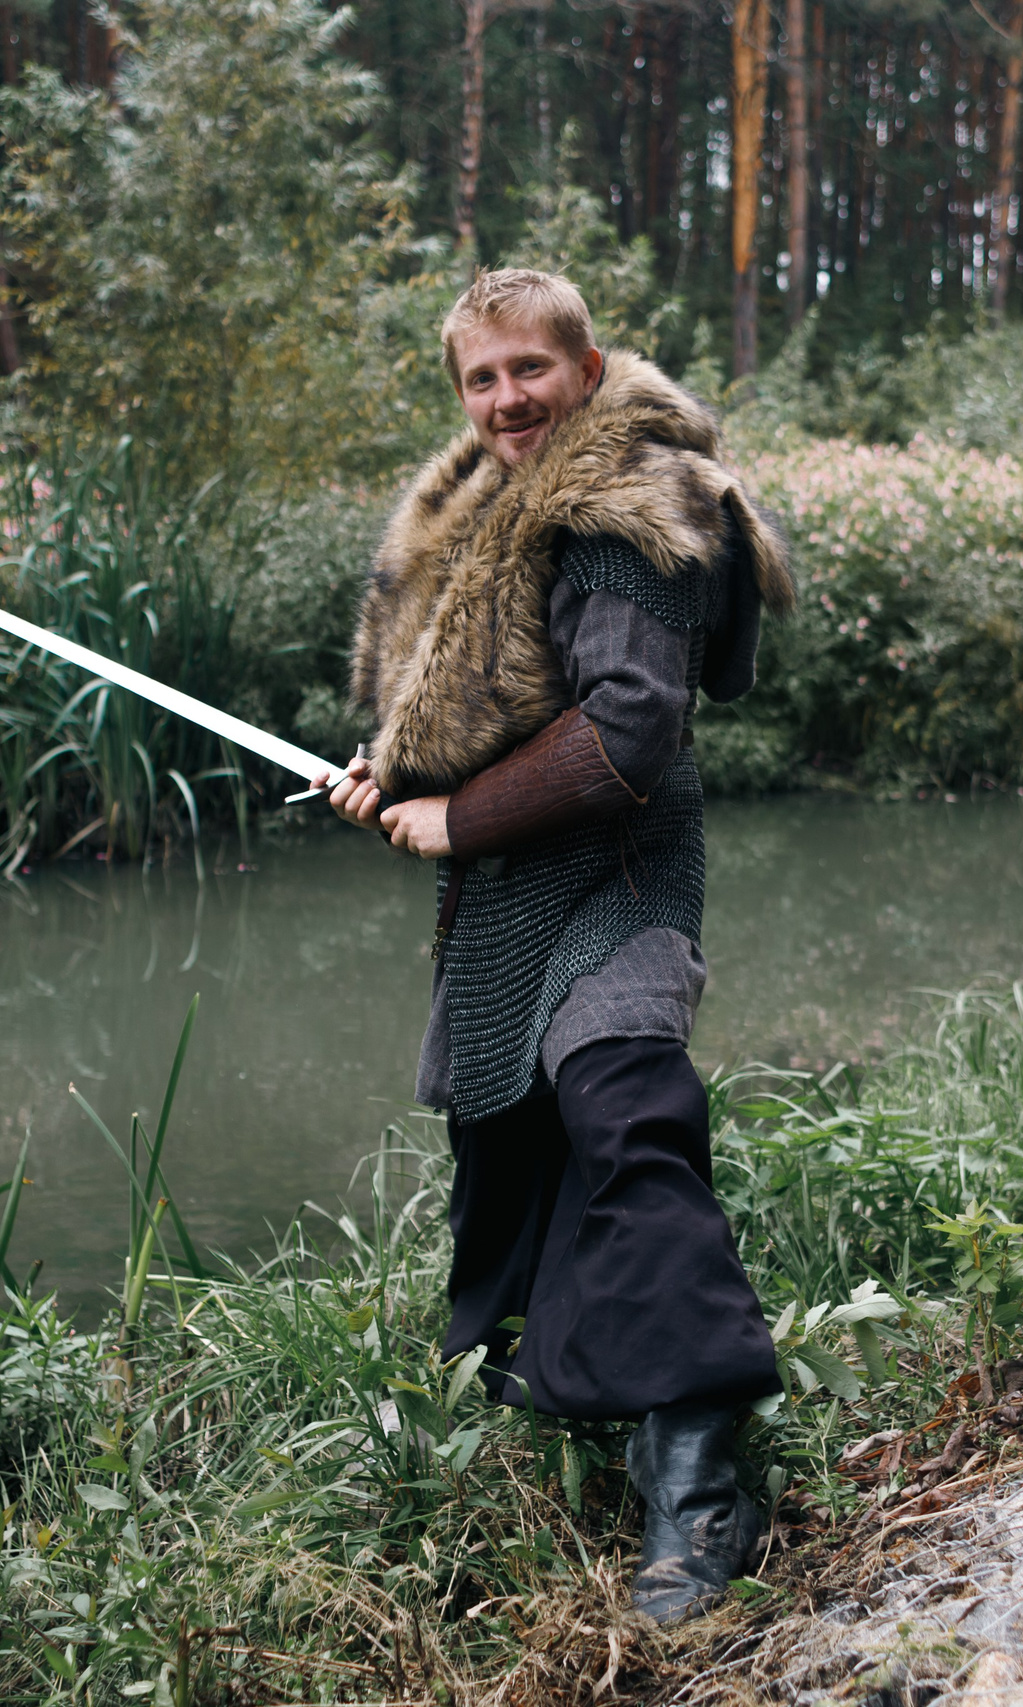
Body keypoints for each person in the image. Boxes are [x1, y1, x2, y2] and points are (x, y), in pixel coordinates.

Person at [318, 269, 796, 1624]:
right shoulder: (483, 515)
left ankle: (704, 1488)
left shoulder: (625, 511)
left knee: (624, 1115)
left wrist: (454, 815)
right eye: (483, 378)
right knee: (512, 1151)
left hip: (622, 876)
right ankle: (584, 1429)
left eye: (531, 369)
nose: (508, 398)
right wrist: (390, 782)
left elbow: (631, 728)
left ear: (585, 371)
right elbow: (483, 714)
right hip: (508, 893)